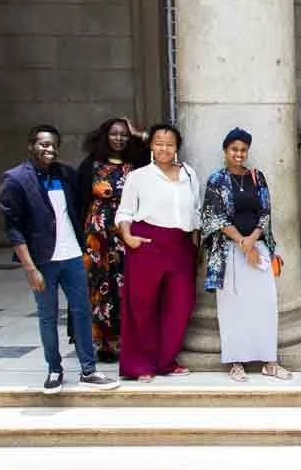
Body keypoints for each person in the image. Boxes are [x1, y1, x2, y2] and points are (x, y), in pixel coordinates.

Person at [0, 125, 120, 394]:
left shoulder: (65, 175)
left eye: (53, 144)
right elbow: (13, 228)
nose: (49, 149)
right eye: (43, 144)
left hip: (72, 255)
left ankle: (88, 370)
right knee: (47, 316)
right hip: (43, 260)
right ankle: (54, 369)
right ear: (31, 145)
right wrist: (30, 268)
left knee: (82, 312)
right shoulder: (16, 179)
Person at [200, 128, 292, 383]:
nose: (238, 154)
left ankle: (269, 362)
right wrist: (242, 242)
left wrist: (252, 241)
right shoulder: (216, 180)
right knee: (232, 307)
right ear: (226, 151)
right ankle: (236, 362)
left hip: (257, 245)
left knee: (265, 304)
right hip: (228, 250)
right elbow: (215, 217)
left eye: (242, 150)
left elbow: (265, 212)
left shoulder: (256, 177)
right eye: (234, 150)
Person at [115, 122, 201, 382]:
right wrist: (128, 237)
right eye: (159, 143)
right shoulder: (138, 177)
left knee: (179, 305)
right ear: (151, 146)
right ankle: (139, 364)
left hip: (181, 245)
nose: (164, 148)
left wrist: (196, 243)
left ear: (177, 147)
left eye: (170, 144)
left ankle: (166, 360)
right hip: (147, 244)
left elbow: (196, 211)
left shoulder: (189, 173)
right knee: (142, 306)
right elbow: (125, 212)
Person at [77, 117, 150, 363]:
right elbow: (79, 202)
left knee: (125, 286)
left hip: (125, 233)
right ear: (105, 136)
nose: (119, 139)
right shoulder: (91, 165)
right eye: (114, 134)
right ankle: (103, 344)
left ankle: (126, 340)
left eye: (124, 135)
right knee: (99, 288)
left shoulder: (137, 164)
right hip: (97, 237)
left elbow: (162, 148)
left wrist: (139, 133)